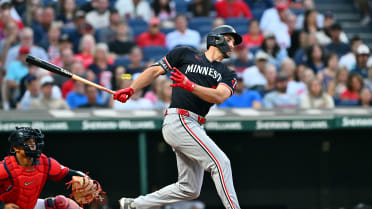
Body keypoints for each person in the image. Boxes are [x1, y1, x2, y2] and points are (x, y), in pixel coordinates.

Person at [113, 25, 242, 209]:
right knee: (221, 163)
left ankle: (134, 205)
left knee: (190, 188)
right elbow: (154, 70)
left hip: (195, 124)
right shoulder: (185, 53)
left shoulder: (227, 73)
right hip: (179, 119)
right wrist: (132, 88)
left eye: (233, 42)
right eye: (229, 40)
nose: (232, 45)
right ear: (215, 39)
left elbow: (220, 96)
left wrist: (191, 86)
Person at [0, 126, 98, 209]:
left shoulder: (44, 162)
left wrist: (89, 180)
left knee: (62, 202)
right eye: (28, 142)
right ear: (16, 148)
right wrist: (4, 205)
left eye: (33, 142)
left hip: (30, 205)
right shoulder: (4, 168)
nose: (33, 146)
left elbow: (68, 174)